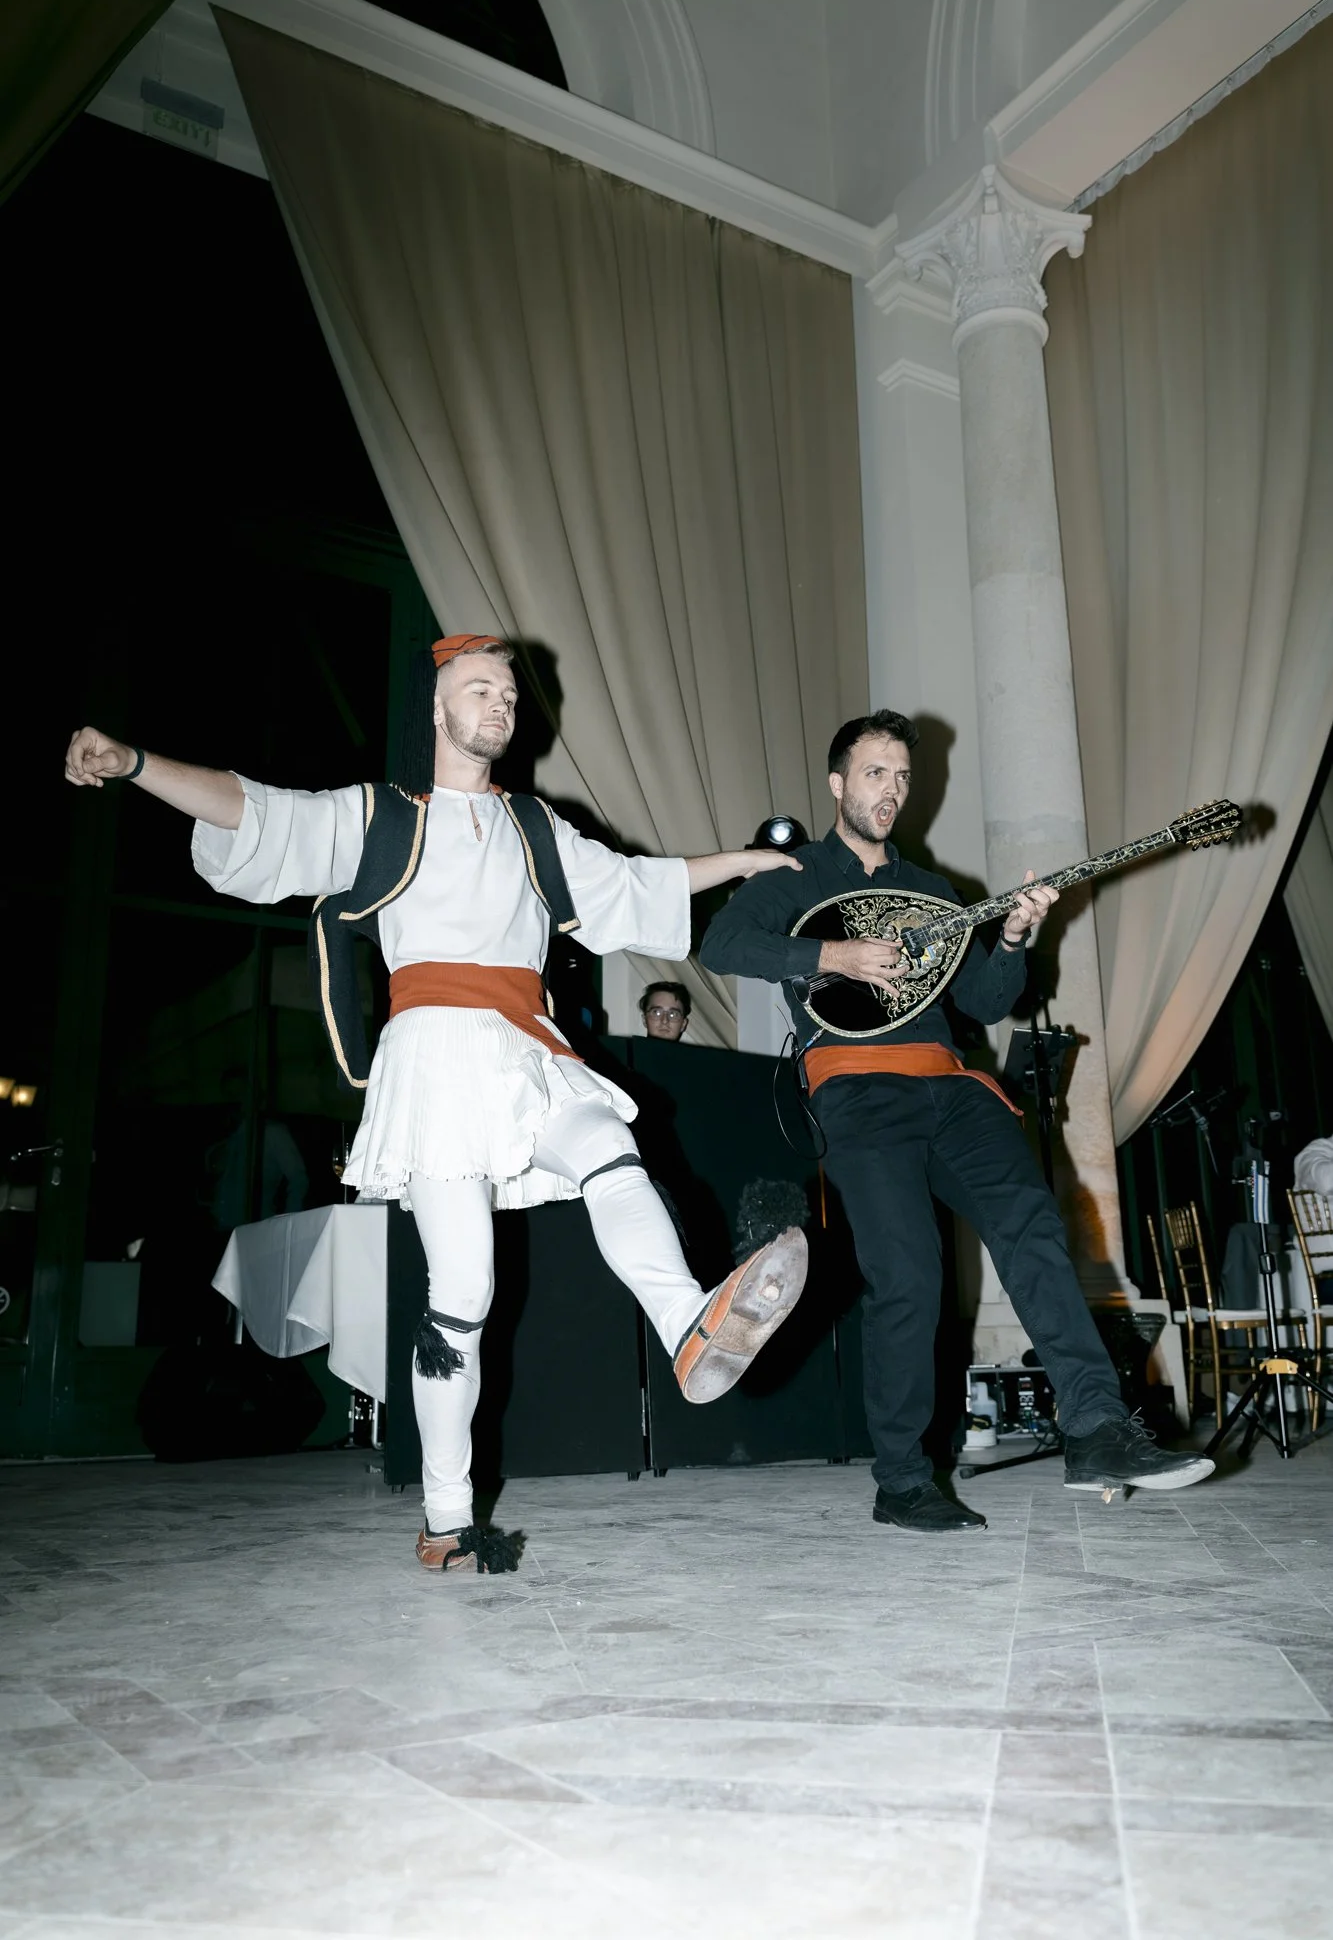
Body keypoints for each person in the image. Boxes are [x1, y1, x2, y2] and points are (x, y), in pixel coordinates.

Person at [64, 636, 809, 1569]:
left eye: (507, 693)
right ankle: (447, 1516)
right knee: (462, 1295)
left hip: (532, 1051)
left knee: (612, 1152)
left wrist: (739, 863)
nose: (499, 705)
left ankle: (688, 1331)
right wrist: (135, 763)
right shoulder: (381, 816)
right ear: (437, 709)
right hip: (437, 1058)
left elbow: (633, 883)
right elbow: (259, 813)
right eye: (479, 690)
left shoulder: (535, 826)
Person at [700, 708, 1214, 1533]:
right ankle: (901, 1479)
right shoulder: (793, 878)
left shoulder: (934, 893)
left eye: (902, 777)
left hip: (952, 1087)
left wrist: (1011, 938)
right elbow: (720, 944)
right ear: (836, 784)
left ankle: (1094, 1430)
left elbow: (980, 1002)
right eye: (875, 773)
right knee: (908, 1276)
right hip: (857, 1092)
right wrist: (832, 956)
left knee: (1034, 1229)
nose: (891, 791)